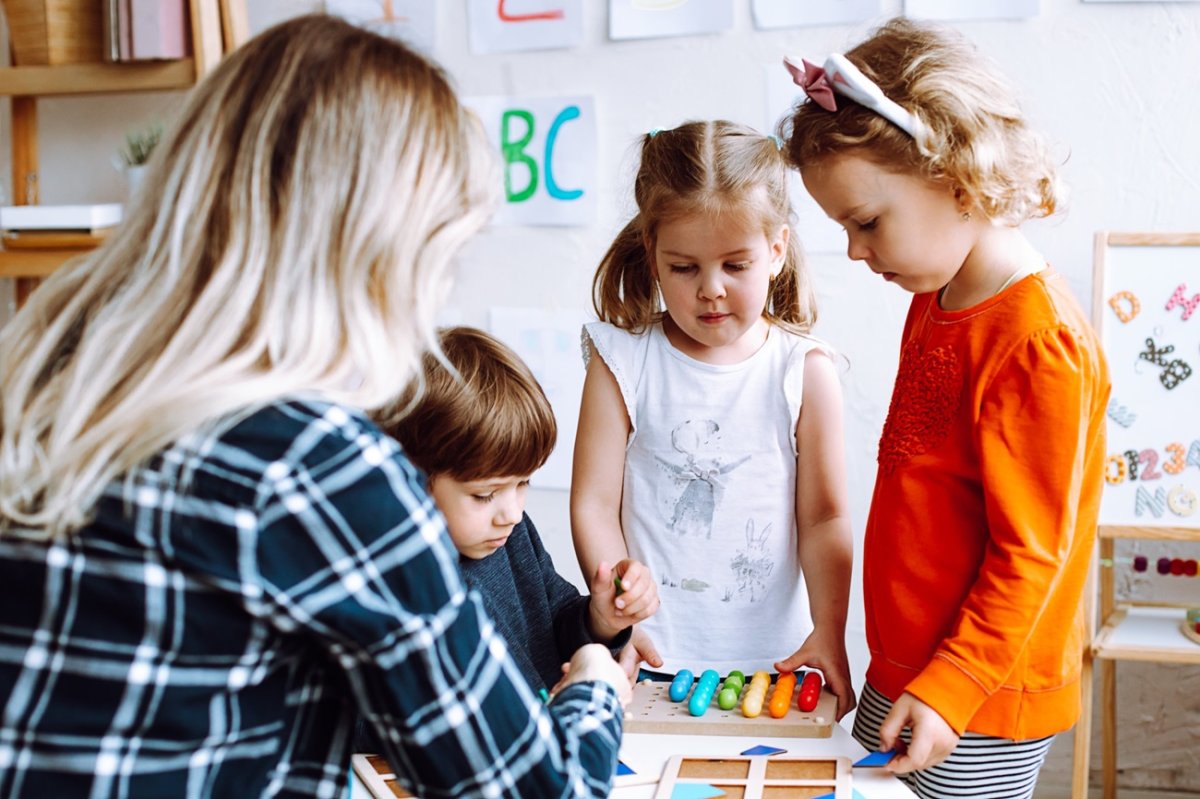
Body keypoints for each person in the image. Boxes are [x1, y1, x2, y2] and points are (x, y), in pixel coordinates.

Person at [0, 15, 629, 799]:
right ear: (374, 253)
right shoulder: (310, 460)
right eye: (441, 254)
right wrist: (596, 684)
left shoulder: (44, 379)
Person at [780, 17, 1110, 797]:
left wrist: (951, 687)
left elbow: (1032, 556)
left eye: (866, 222)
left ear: (956, 176)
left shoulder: (1037, 342)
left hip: (976, 696)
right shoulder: (937, 294)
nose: (857, 252)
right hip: (911, 667)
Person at [570, 120, 856, 720]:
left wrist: (830, 630)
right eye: (683, 268)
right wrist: (620, 607)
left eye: (735, 264)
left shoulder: (805, 370)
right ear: (651, 254)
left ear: (776, 250)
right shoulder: (621, 358)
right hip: (650, 660)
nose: (711, 290)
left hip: (773, 670)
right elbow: (595, 503)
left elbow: (826, 518)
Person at [377, 325, 659, 695]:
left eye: (522, 483)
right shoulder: (394, 583)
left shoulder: (511, 534)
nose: (511, 512)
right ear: (411, 481)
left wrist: (601, 620)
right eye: (485, 495)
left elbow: (556, 623)